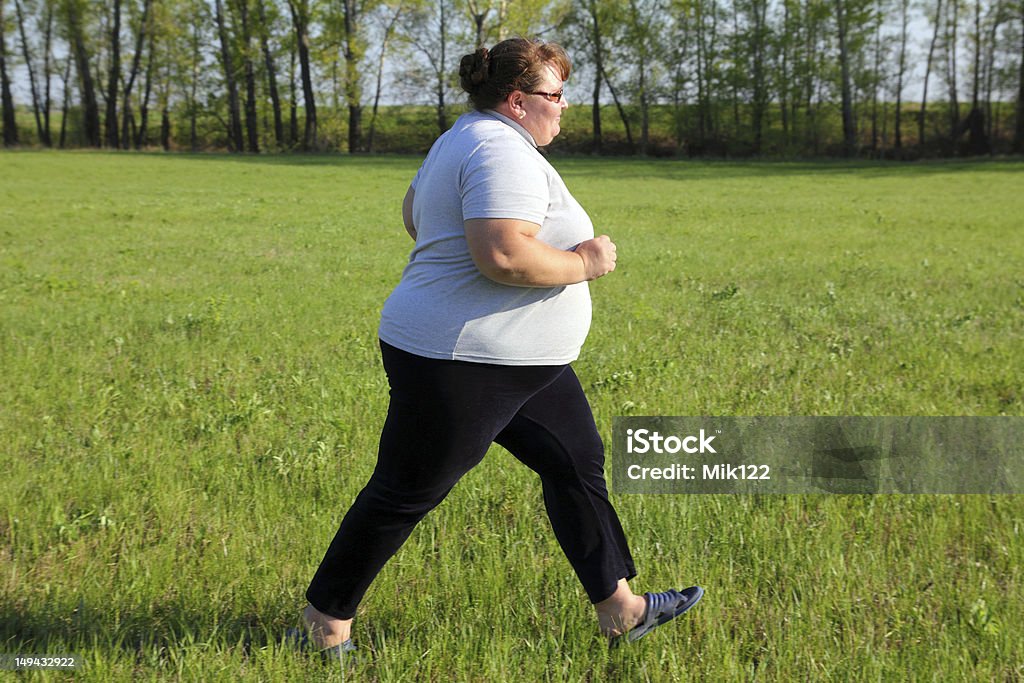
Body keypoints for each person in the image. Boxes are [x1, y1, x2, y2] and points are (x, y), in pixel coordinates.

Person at [299, 37, 702, 657]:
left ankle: (622, 609)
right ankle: (324, 625)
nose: (563, 107)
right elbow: (504, 255)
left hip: (520, 362)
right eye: (555, 95)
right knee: (407, 489)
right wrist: (585, 262)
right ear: (519, 100)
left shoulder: (465, 136)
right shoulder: (497, 150)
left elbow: (415, 214)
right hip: (463, 360)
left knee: (574, 462)